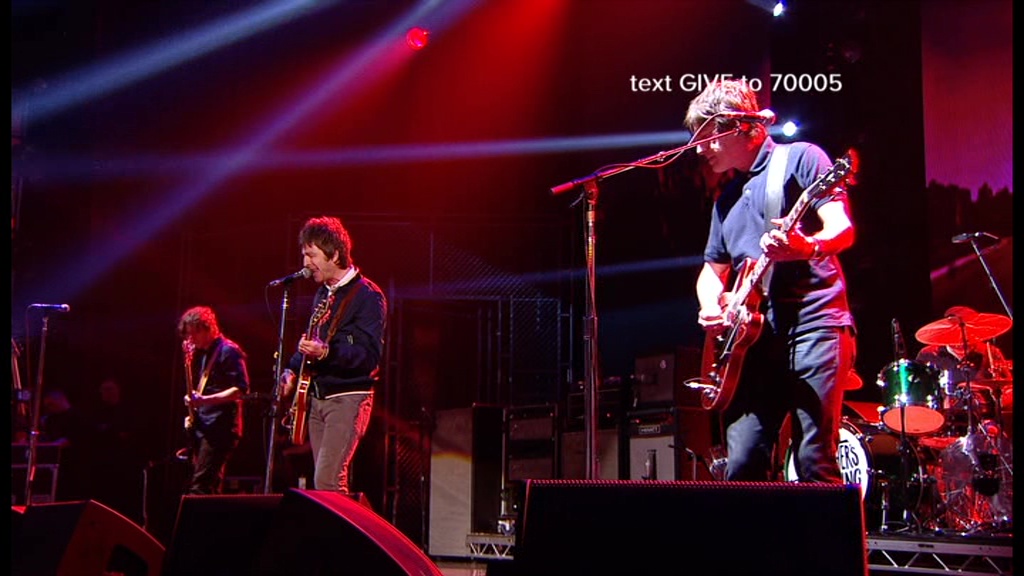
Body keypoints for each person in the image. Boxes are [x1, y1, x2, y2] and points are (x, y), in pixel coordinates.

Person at [687, 79, 857, 483]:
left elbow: (842, 228)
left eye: (707, 137)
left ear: (737, 127)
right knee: (742, 463)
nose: (699, 148)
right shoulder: (726, 198)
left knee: (815, 459)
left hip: (815, 326)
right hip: (755, 341)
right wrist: (711, 307)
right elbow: (712, 271)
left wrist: (806, 246)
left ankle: (829, 546)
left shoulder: (801, 158)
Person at [279, 216, 387, 494]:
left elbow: (369, 357)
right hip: (317, 398)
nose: (305, 263)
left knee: (327, 482)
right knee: (327, 485)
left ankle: (356, 537)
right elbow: (311, 343)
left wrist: (327, 352)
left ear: (334, 253)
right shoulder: (323, 294)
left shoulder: (367, 296)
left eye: (311, 254)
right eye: (304, 254)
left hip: (347, 399)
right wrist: (292, 371)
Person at [177, 305, 250, 494]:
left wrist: (203, 401)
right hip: (206, 425)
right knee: (207, 485)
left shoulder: (229, 351)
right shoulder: (205, 354)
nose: (191, 340)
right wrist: (195, 407)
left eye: (194, 334)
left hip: (221, 427)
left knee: (200, 486)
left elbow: (240, 390)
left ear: (206, 328)